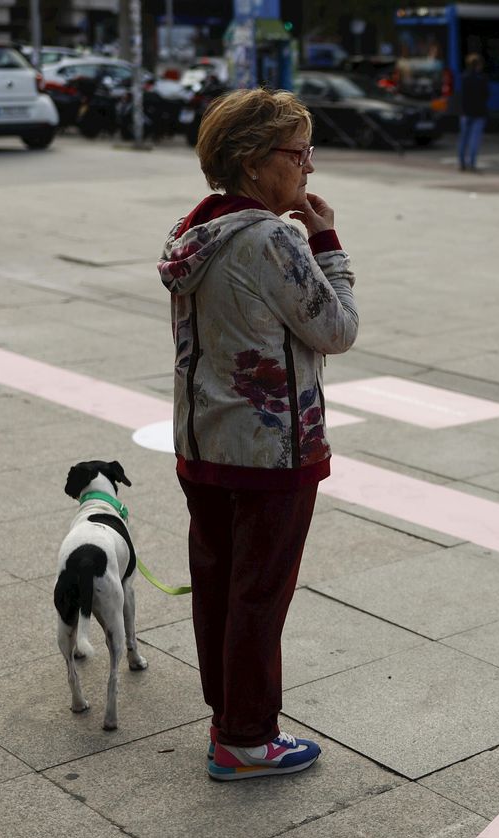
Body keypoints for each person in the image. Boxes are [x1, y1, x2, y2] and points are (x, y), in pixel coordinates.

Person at [157, 88, 359, 781]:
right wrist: (326, 242)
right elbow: (336, 329)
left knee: (219, 586)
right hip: (271, 448)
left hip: (203, 442)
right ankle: (246, 738)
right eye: (297, 153)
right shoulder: (274, 238)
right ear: (251, 160)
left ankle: (228, 725)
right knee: (259, 593)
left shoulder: (195, 227)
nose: (308, 167)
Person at [458, 53, 489, 172]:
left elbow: (462, 96)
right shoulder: (483, 78)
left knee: (464, 138)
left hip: (466, 112)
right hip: (479, 112)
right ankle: (472, 163)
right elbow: (486, 95)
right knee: (474, 139)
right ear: (479, 65)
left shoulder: (464, 77)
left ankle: (462, 162)